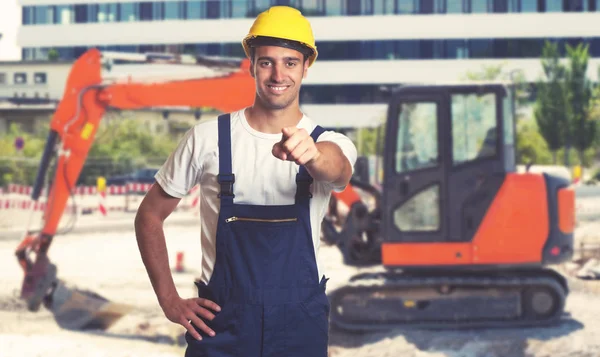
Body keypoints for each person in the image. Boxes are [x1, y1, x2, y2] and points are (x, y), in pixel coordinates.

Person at [134, 5, 357, 357]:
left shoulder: (327, 142)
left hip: (299, 326)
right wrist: (170, 301)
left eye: (290, 62)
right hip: (221, 326)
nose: (277, 74)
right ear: (251, 64)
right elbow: (149, 216)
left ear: (306, 67)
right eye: (267, 61)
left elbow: (339, 170)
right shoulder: (207, 139)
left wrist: (312, 154)